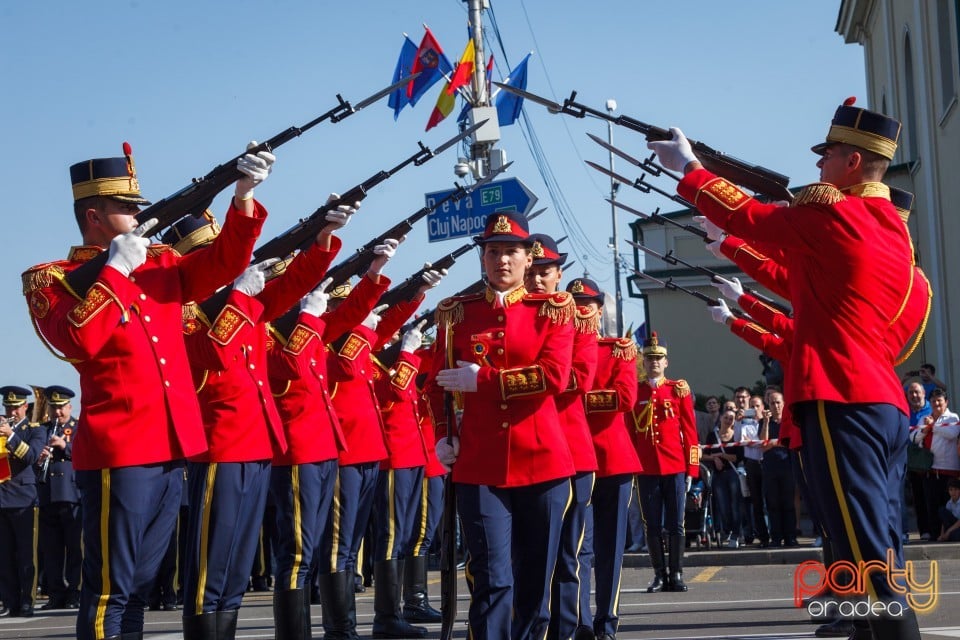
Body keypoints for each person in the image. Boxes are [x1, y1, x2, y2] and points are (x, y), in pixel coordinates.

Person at [648, 97, 922, 638]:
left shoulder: (840, 213)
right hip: (878, 400)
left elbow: (755, 217)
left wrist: (691, 169)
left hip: (841, 397)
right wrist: (732, 250)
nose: (817, 166)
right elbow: (800, 283)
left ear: (850, 163)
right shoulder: (891, 237)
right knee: (865, 543)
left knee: (865, 555)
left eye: (827, 157)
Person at [22, 142, 272, 640]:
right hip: (121, 450)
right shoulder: (52, 279)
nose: (139, 216)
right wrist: (114, 271)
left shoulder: (160, 262)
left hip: (172, 446)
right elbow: (76, 340)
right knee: (110, 590)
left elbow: (220, 266)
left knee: (138, 586)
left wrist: (242, 196)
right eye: (127, 208)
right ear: (94, 215)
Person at [173, 192, 351, 639]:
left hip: (256, 446)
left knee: (233, 574)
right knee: (209, 574)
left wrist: (322, 242)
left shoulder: (242, 303)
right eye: (210, 257)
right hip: (220, 448)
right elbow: (209, 354)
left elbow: (289, 289)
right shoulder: (185, 313)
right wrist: (235, 298)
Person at [428, 210, 576, 640]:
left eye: (511, 252)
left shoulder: (552, 310)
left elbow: (554, 376)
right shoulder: (457, 313)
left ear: (529, 259)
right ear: (483, 259)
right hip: (480, 462)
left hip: (543, 461)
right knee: (492, 581)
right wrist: (442, 435)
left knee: (534, 583)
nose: (502, 261)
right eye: (493, 252)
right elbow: (436, 382)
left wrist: (485, 380)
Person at [525, 236, 599, 640]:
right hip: (525, 448)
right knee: (529, 553)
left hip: (570, 447)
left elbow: (577, 379)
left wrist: (516, 380)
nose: (537, 280)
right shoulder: (513, 316)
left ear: (559, 276)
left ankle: (569, 628)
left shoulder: (578, 317)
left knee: (569, 552)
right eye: (531, 272)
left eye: (545, 273)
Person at [570, 277, 639, 640]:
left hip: (611, 459)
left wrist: (575, 398)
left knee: (610, 550)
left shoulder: (618, 349)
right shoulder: (558, 346)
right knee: (577, 547)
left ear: (599, 310)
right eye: (575, 301)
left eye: (588, 303)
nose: (582, 308)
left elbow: (624, 398)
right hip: (573, 459)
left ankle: (607, 621)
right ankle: (579, 620)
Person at [631, 332, 699, 593]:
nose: (654, 363)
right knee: (653, 525)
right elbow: (630, 433)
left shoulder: (677, 390)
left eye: (659, 358)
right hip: (646, 468)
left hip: (675, 467)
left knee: (676, 523)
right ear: (644, 362)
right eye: (649, 359)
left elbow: (691, 433)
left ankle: (677, 573)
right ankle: (659, 574)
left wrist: (692, 469)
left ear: (666, 362)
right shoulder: (636, 391)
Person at [0, 386, 45, 618]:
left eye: (15, 407)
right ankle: (9, 601)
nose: (11, 411)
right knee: (4, 555)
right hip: (1, 498)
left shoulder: (33, 430)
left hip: (23, 499)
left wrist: (11, 435)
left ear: (25, 407)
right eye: (8, 406)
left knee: (26, 554)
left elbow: (31, 456)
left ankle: (27, 600)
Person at [36, 385, 82, 611]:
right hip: (47, 495)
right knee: (51, 550)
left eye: (61, 407)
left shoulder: (78, 427)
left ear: (70, 406)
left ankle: (74, 592)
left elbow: (86, 451)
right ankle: (55, 594)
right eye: (54, 407)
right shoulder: (43, 429)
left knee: (75, 549)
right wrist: (39, 456)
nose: (57, 412)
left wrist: (65, 446)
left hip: (72, 495)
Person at [910, 388, 960, 541]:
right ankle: (933, 534)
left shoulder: (952, 417)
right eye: (933, 401)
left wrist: (934, 426)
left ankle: (950, 534)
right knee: (930, 504)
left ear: (946, 402)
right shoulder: (925, 417)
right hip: (929, 470)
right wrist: (925, 429)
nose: (936, 404)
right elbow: (913, 438)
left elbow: (952, 434)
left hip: (948, 470)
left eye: (939, 401)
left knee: (948, 504)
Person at [758, 392, 797, 547]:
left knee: (788, 504)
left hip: (787, 466)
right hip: (770, 468)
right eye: (773, 403)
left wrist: (773, 444)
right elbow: (763, 444)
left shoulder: (788, 421)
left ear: (783, 403)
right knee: (772, 504)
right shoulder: (764, 422)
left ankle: (790, 537)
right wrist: (767, 423)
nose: (776, 406)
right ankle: (776, 538)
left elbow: (790, 442)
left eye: (778, 402)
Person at [700, 410, 742, 548]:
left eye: (732, 418)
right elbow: (704, 455)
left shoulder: (736, 435)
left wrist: (721, 455)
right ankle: (727, 530)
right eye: (726, 417)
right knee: (722, 506)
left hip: (732, 473)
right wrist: (715, 457)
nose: (728, 420)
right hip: (718, 475)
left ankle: (736, 534)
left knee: (735, 505)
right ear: (721, 418)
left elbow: (737, 457)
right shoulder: (713, 435)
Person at [905, 382, 934, 541]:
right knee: (917, 497)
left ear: (923, 393)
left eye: (917, 392)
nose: (914, 396)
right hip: (908, 460)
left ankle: (936, 529)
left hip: (929, 460)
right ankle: (924, 531)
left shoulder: (932, 410)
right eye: (911, 393)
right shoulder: (904, 410)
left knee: (930, 495)